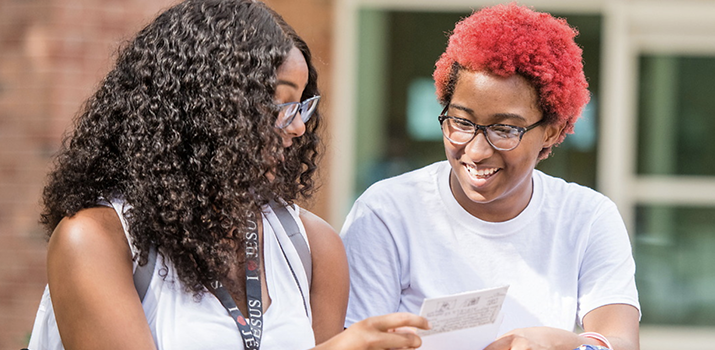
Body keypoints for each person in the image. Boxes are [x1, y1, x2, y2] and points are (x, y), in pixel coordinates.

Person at [29, 0, 428, 349]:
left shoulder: (314, 247)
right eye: (278, 104)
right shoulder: (96, 239)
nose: (298, 128)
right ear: (207, 108)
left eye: (301, 106)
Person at [341, 3, 639, 350]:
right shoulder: (388, 213)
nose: (477, 151)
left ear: (552, 133)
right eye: (462, 122)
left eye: (504, 129)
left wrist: (563, 345)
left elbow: (619, 341)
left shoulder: (586, 217)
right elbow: (355, 341)